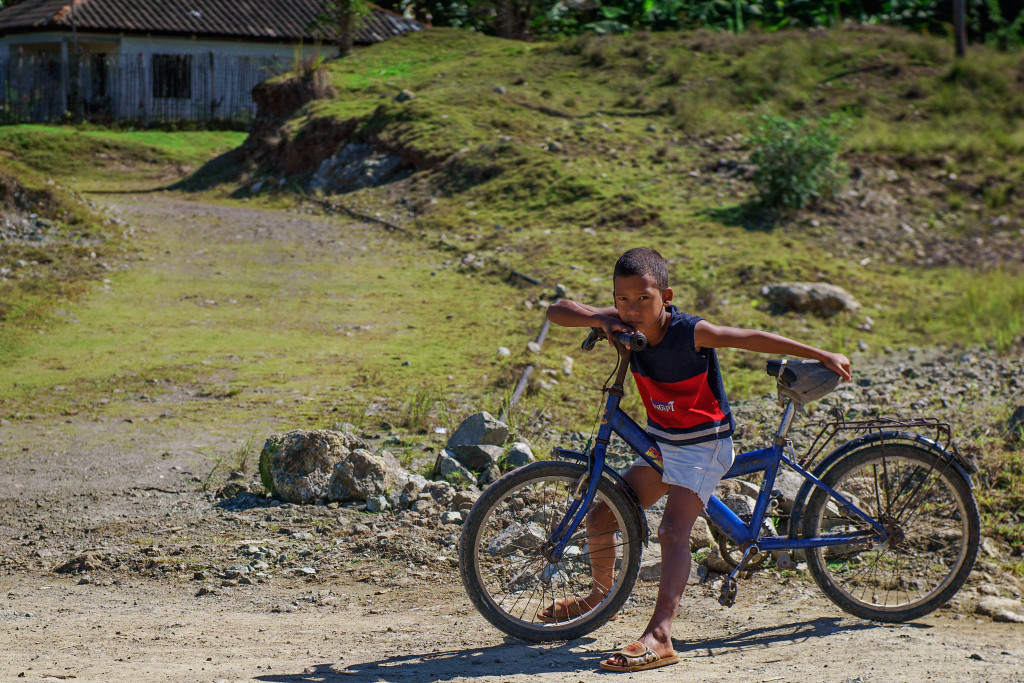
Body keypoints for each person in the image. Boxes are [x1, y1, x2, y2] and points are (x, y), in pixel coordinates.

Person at [542, 247, 851, 673]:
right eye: (622, 300)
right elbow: (557, 310)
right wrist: (600, 319)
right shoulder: (622, 320)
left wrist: (819, 354)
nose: (632, 310)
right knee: (600, 519)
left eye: (643, 299)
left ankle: (661, 635)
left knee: (672, 531)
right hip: (666, 444)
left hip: (704, 445)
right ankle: (598, 598)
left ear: (665, 296)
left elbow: (747, 336)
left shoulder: (689, 331)